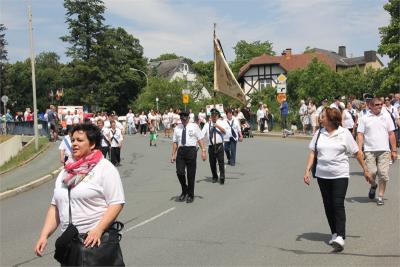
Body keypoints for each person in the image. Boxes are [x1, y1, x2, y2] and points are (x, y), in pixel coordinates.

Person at [34, 123, 125, 265]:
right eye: (73, 140)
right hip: (70, 245)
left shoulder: (105, 168)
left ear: (93, 144)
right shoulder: (66, 171)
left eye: (80, 140)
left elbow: (116, 203)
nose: (74, 144)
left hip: (95, 244)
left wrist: (98, 229)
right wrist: (44, 235)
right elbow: (55, 207)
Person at [304, 107, 371, 252]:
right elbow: (313, 153)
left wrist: (365, 169)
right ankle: (334, 232)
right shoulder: (319, 133)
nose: (320, 119)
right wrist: (307, 170)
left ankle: (341, 236)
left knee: (337, 203)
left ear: (331, 119)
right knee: (328, 205)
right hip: (322, 175)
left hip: (340, 175)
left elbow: (357, 153)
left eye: (323, 117)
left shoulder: (344, 133)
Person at [357, 97, 397, 205]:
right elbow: (360, 134)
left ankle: (380, 196)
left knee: (383, 174)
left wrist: (394, 150)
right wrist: (359, 149)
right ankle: (373, 185)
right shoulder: (364, 118)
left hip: (384, 150)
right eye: (377, 105)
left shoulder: (386, 116)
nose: (380, 106)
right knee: (371, 173)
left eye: (381, 104)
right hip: (369, 150)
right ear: (370, 106)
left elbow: (391, 134)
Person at [171, 112, 207, 203]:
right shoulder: (177, 128)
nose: (183, 121)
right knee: (179, 172)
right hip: (181, 151)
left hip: (191, 151)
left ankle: (190, 195)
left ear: (188, 118)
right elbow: (175, 142)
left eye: (185, 119)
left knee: (191, 175)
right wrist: (173, 154)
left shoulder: (194, 126)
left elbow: (200, 139)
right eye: (182, 119)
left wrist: (203, 151)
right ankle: (184, 190)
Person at [202, 108, 227, 184]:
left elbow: (224, 131)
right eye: (212, 115)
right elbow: (201, 135)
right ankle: (215, 176)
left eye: (215, 115)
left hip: (219, 145)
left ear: (217, 116)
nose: (214, 116)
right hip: (211, 146)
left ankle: (222, 176)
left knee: (221, 162)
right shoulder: (207, 124)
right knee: (212, 163)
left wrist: (217, 126)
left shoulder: (221, 122)